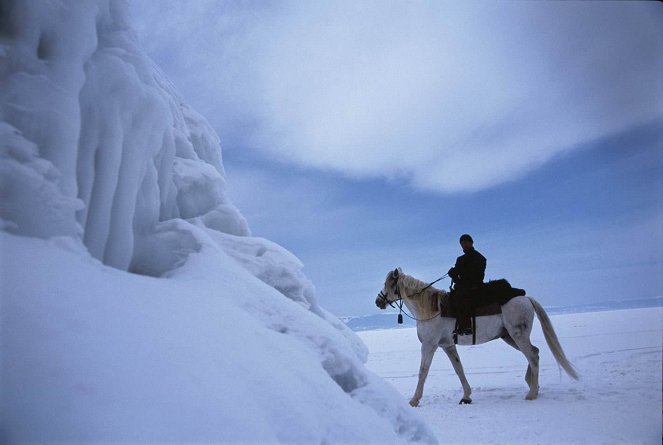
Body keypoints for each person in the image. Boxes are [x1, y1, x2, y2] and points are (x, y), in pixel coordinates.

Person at [447, 234, 486, 335]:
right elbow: (457, 276)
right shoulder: (460, 259)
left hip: (474, 287)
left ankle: (466, 327)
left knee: (460, 298)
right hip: (462, 287)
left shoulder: (480, 258)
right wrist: (453, 275)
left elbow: (477, 276)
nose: (464, 245)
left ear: (471, 243)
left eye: (465, 242)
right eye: (462, 243)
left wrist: (458, 275)